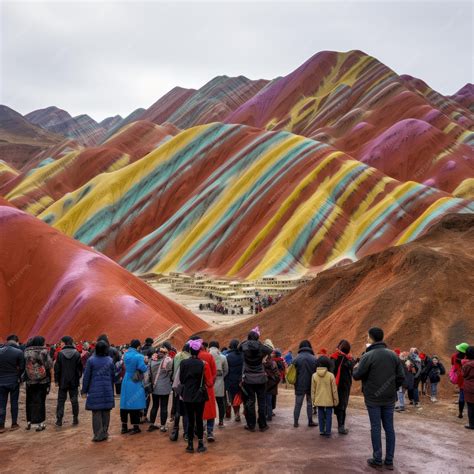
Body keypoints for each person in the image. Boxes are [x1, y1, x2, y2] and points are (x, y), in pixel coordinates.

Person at [353, 327, 405, 470]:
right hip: (389, 398)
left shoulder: (367, 356)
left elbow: (357, 375)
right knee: (389, 428)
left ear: (371, 338)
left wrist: (355, 367)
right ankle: (389, 460)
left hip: (372, 399)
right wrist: (392, 388)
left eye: (367, 336)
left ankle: (377, 458)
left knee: (375, 427)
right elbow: (401, 377)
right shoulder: (393, 355)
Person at [180, 339, 211, 453]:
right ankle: (201, 444)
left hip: (187, 395)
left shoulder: (183, 363)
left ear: (189, 350)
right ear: (199, 351)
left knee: (190, 419)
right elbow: (207, 380)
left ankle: (190, 445)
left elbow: (182, 380)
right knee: (199, 419)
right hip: (200, 395)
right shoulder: (203, 363)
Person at [238, 326, 272, 432]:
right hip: (261, 378)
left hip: (248, 379)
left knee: (250, 402)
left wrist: (247, 340)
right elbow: (270, 349)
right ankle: (262, 425)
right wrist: (259, 342)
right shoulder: (261, 348)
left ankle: (251, 425)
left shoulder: (244, 347)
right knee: (262, 402)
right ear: (257, 338)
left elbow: (239, 346)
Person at [81, 340, 115, 442]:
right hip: (107, 389)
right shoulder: (109, 360)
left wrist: (84, 390)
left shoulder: (91, 360)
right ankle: (105, 432)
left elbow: (86, 377)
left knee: (96, 412)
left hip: (94, 390)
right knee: (106, 411)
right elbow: (113, 376)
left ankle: (98, 434)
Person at [24, 336, 53, 432]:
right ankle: (40, 423)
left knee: (29, 400)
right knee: (40, 400)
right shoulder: (44, 351)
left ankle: (29, 422)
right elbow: (49, 365)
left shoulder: (26, 351)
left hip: (30, 380)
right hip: (42, 380)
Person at [120, 339, 148, 435]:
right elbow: (142, 368)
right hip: (134, 380)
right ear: (138, 346)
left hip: (126, 379)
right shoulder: (139, 356)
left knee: (124, 403)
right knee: (134, 403)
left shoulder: (126, 354)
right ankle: (135, 426)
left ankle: (124, 426)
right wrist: (146, 363)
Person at [54, 336, 82, 427]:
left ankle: (59, 420)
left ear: (65, 343)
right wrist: (77, 377)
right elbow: (80, 369)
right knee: (74, 400)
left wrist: (57, 380)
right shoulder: (77, 353)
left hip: (63, 381)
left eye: (61, 342)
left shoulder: (60, 354)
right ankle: (75, 418)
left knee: (61, 401)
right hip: (74, 381)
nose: (60, 344)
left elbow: (57, 369)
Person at [0, 335, 25, 433]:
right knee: (14, 402)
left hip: (1, 381)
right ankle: (14, 423)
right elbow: (22, 367)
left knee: (1, 403)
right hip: (14, 381)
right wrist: (18, 376)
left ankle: (1, 425)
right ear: (16, 341)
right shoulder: (18, 352)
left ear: (7, 341)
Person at [330, 339, 354, 434]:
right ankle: (341, 426)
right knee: (342, 406)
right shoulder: (349, 360)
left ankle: (326, 427)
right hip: (344, 386)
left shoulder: (333, 358)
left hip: (333, 384)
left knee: (331, 404)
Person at [292, 340, 318, 428]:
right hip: (311, 384)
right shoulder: (314, 358)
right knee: (310, 403)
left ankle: (296, 422)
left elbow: (291, 371)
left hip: (299, 384)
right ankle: (310, 421)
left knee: (298, 404)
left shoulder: (296, 358)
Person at [195, 339, 217, 442]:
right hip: (208, 388)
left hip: (196, 388)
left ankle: (200, 430)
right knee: (210, 410)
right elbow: (214, 373)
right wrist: (211, 383)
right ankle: (210, 432)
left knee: (199, 410)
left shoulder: (194, 357)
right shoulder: (209, 356)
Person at [311, 355, 338, 437]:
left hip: (319, 400)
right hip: (329, 400)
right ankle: (328, 431)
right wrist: (336, 400)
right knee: (329, 415)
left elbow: (313, 390)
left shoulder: (314, 375)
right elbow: (334, 390)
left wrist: (313, 401)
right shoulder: (331, 375)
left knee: (320, 415)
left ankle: (321, 430)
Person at [148, 346, 173, 432]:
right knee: (164, 406)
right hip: (165, 387)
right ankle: (162, 426)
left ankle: (151, 424)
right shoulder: (167, 361)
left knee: (154, 405)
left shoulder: (151, 361)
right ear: (165, 353)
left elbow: (149, 374)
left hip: (154, 387)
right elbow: (170, 374)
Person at [208, 341, 228, 429]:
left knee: (208, 403)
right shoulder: (223, 357)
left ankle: (208, 422)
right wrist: (221, 377)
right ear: (218, 346)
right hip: (219, 381)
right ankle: (220, 421)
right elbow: (226, 370)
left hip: (208, 382)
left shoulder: (206, 355)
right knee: (220, 403)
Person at [224, 339, 244, 422]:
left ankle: (237, 414)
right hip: (242, 380)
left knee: (233, 398)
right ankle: (244, 412)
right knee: (243, 397)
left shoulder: (228, 356)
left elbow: (225, 369)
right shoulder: (243, 355)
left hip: (231, 381)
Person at [263, 342, 280, 423]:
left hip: (264, 384)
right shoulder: (273, 363)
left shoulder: (262, 364)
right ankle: (269, 415)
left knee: (264, 402)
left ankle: (265, 415)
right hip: (271, 385)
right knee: (269, 402)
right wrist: (274, 383)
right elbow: (277, 375)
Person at [451, 342, 468, 419]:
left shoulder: (454, 356)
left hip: (460, 377)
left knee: (462, 395)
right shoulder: (468, 358)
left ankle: (460, 413)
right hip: (468, 378)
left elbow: (453, 366)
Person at [462, 346, 474, 430]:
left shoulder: (467, 365)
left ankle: (472, 424)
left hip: (470, 388)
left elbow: (464, 375)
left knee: (471, 406)